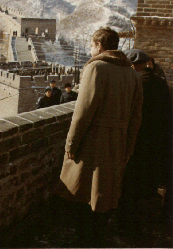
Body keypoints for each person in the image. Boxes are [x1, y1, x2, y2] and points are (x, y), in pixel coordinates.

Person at [56, 27, 143, 247]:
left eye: (92, 45)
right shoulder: (132, 73)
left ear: (99, 46)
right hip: (118, 142)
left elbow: (83, 111)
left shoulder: (96, 68)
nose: (91, 49)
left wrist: (71, 143)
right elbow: (136, 117)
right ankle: (96, 238)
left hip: (94, 141)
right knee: (105, 193)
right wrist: (129, 148)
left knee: (85, 192)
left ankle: (84, 240)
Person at [119, 49, 172, 236]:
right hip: (156, 142)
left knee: (131, 182)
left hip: (138, 140)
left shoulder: (137, 83)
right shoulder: (160, 82)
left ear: (133, 65)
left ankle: (129, 225)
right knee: (146, 182)